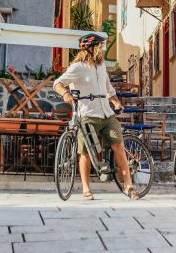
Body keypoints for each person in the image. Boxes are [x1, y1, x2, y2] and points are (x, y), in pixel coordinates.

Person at [53, 32, 140, 200]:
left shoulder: (102, 67)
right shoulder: (77, 67)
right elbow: (57, 83)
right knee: (85, 152)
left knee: (118, 146)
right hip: (88, 116)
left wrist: (115, 102)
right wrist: (65, 94)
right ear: (91, 48)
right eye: (99, 46)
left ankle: (128, 185)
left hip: (107, 115)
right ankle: (86, 188)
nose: (102, 50)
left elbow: (109, 89)